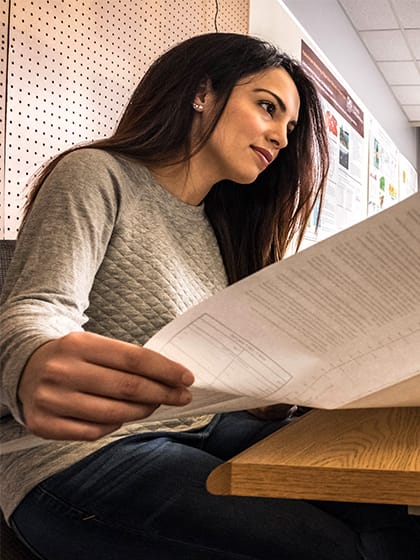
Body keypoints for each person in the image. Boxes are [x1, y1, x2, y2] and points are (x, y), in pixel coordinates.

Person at [0, 32, 419, 560]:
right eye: (267, 108)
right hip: (80, 455)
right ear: (203, 92)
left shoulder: (222, 224)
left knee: (390, 517)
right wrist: (31, 361)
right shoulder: (98, 174)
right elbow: (38, 308)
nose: (281, 139)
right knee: (337, 549)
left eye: (289, 127)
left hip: (204, 428)